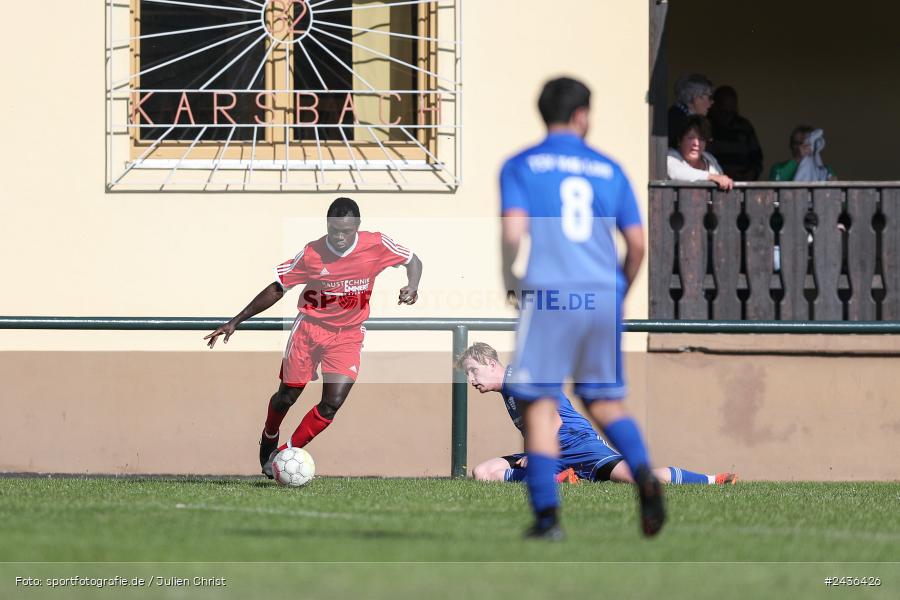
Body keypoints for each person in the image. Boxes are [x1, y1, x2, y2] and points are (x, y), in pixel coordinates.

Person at [500, 76, 665, 540]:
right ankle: (645, 476)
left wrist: (510, 280)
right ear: (582, 115)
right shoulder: (609, 169)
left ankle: (548, 519)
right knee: (604, 399)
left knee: (537, 404)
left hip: (550, 293)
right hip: (601, 296)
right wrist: (619, 293)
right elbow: (636, 245)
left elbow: (513, 233)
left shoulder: (520, 165)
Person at [204, 197, 423, 478]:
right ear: (327, 225)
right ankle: (270, 432)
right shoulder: (312, 253)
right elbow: (277, 287)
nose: (340, 237)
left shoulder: (377, 244)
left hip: (348, 335)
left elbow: (412, 260)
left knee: (333, 402)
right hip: (309, 332)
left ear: (357, 227)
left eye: (346, 231)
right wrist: (236, 321)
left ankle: (282, 454)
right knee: (288, 395)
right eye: (334, 230)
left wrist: (413, 286)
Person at [458, 342, 739, 486]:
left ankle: (714, 480)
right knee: (483, 472)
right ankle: (565, 479)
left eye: (473, 370)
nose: (471, 379)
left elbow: (553, 421)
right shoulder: (509, 387)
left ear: (491, 363)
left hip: (577, 444)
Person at [707, 86, 763, 181]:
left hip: (742, 184)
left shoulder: (744, 127)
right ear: (714, 106)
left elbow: (757, 158)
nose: (728, 115)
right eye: (724, 111)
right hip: (714, 183)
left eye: (731, 111)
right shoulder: (706, 125)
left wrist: (752, 174)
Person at [667, 115, 734, 190]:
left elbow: (722, 179)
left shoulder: (709, 158)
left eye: (701, 139)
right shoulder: (670, 156)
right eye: (691, 138)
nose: (696, 143)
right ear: (679, 140)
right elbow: (676, 173)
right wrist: (711, 177)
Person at [769, 126, 835, 181]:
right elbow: (776, 182)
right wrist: (798, 158)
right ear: (791, 145)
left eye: (807, 143)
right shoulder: (778, 168)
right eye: (797, 143)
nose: (801, 147)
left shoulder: (825, 170)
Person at [668, 73, 713, 149]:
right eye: (709, 97)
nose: (712, 102)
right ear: (695, 98)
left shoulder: (682, 115)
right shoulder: (678, 120)